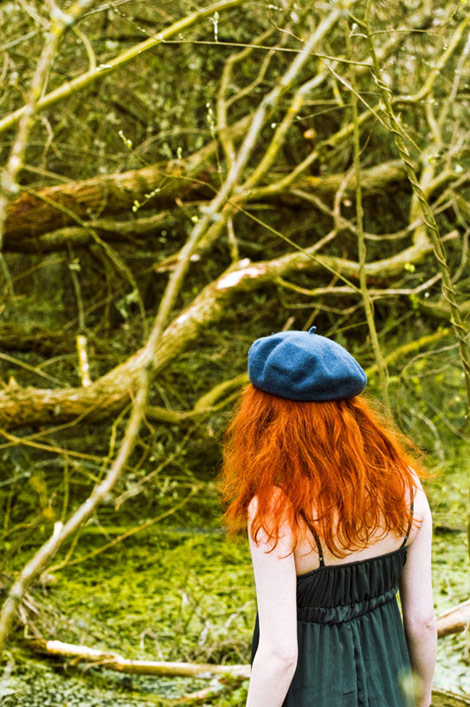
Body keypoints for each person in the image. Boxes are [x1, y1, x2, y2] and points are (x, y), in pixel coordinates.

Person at [220, 327, 436, 707]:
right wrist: (422, 699)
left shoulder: (276, 510)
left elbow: (280, 656)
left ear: (265, 417)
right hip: (391, 692)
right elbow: (422, 621)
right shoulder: (406, 485)